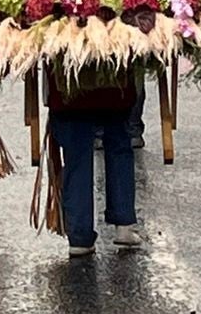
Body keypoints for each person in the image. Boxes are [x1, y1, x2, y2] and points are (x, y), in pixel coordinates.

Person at [46, 72, 141, 256]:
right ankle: (124, 224)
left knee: (77, 157)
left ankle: (79, 236)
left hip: (69, 90)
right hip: (114, 86)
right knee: (118, 146)